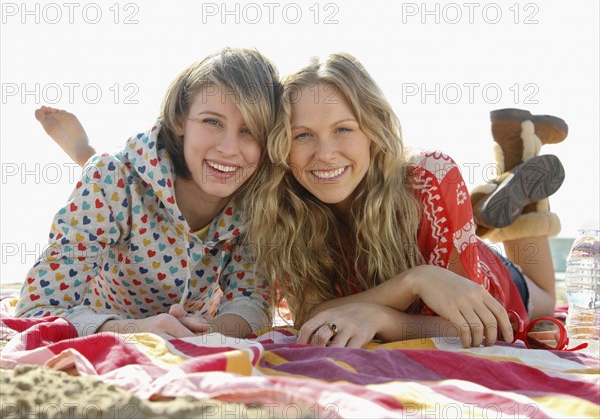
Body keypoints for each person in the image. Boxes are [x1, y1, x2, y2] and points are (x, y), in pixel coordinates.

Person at [251, 52, 566, 349]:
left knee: (545, 300)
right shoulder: (286, 206)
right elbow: (310, 314)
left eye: (343, 129)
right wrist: (414, 281)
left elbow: (475, 326)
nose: (325, 154)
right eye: (302, 135)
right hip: (442, 251)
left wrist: (382, 318)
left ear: (375, 131)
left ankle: (519, 158)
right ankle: (480, 207)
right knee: (443, 238)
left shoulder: (429, 176)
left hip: (488, 277)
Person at [16, 47, 282, 340]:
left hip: (199, 314)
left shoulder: (260, 199)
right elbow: (37, 309)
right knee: (110, 174)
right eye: (212, 121)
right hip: (107, 310)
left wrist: (203, 335)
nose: (229, 148)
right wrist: (135, 330)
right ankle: (86, 154)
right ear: (180, 120)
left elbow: (251, 301)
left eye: (250, 130)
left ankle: (84, 153)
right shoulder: (111, 180)